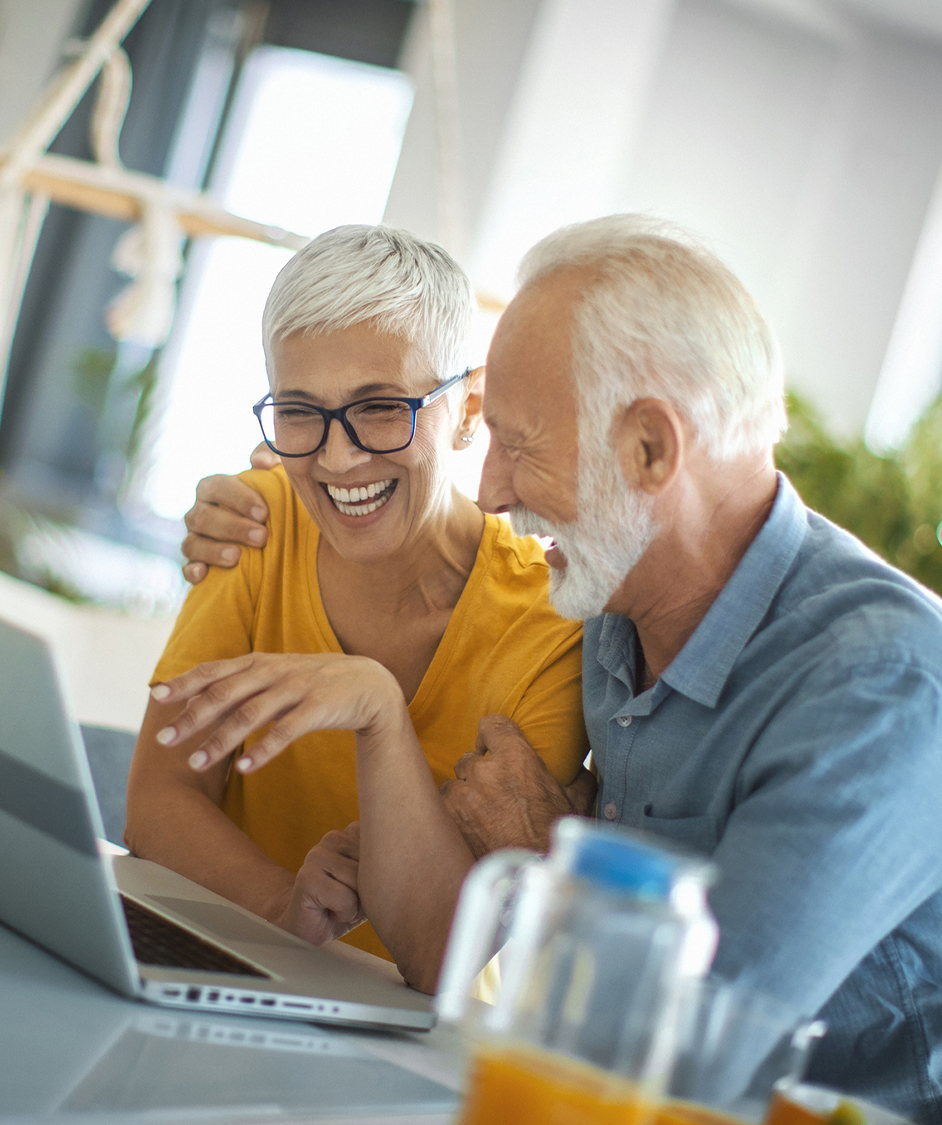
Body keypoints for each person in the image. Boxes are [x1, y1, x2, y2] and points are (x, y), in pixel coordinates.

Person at [184, 215, 942, 1123]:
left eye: (519, 443)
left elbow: (684, 1056)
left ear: (652, 450)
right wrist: (268, 499)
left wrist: (548, 862)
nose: (491, 486)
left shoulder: (882, 684)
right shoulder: (612, 602)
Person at [125, 224, 591, 991]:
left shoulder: (551, 626)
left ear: (470, 407)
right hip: (223, 963)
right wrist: (285, 906)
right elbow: (157, 800)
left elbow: (444, 950)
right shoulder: (258, 519)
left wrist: (376, 705)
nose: (338, 459)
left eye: (380, 408)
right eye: (300, 411)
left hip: (406, 1042)